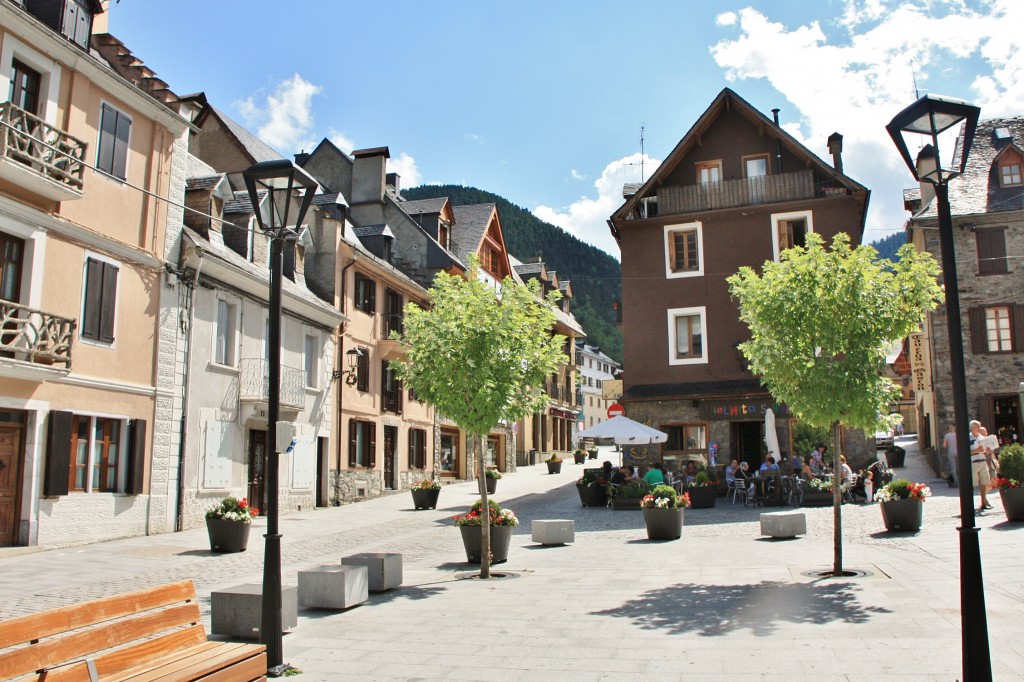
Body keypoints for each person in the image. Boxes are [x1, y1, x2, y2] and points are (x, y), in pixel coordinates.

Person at [969, 420, 993, 512]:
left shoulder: (981, 437)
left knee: (984, 482)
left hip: (982, 460)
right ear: (973, 427)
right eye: (978, 426)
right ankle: (970, 504)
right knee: (973, 484)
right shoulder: (968, 437)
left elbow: (985, 449)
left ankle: (983, 503)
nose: (980, 428)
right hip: (973, 462)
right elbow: (965, 452)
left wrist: (989, 449)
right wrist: (977, 450)